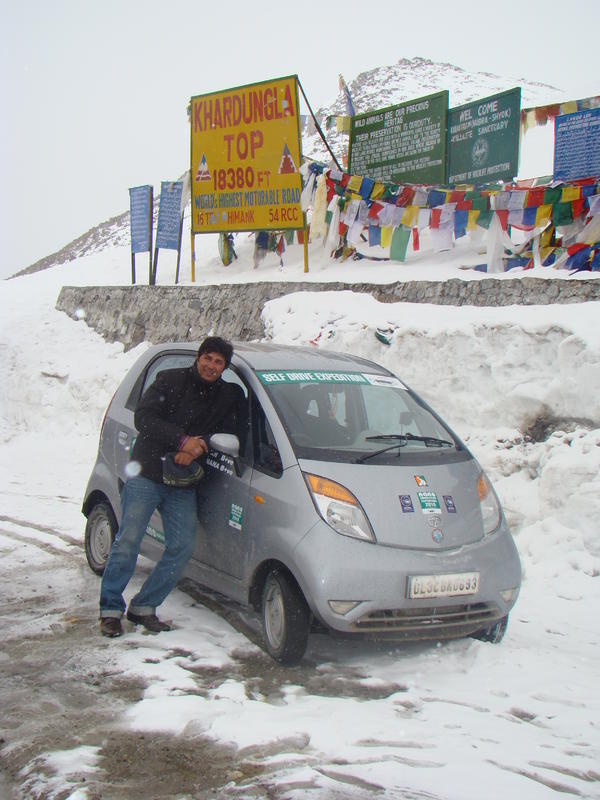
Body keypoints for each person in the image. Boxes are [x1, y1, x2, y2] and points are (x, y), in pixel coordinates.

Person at [99, 336, 244, 637]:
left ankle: (144, 607)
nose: (211, 366)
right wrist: (181, 440)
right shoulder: (169, 380)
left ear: (225, 367)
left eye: (219, 362)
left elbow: (232, 429)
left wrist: (197, 446)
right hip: (147, 474)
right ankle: (110, 610)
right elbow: (144, 418)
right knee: (128, 541)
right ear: (198, 357)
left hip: (182, 481)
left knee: (181, 547)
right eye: (208, 358)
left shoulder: (227, 395)